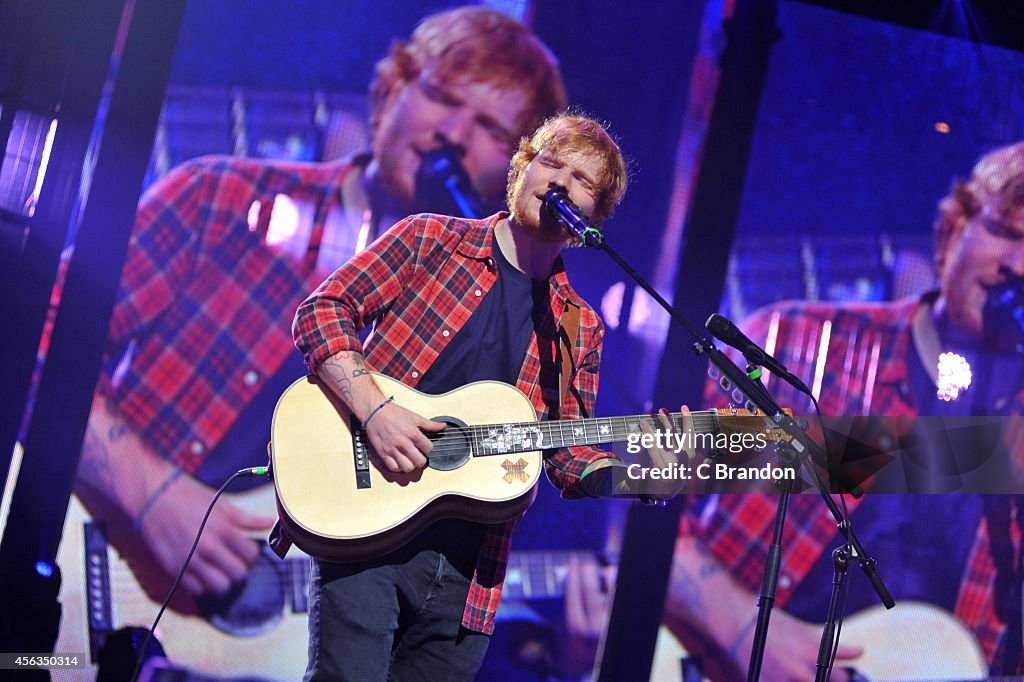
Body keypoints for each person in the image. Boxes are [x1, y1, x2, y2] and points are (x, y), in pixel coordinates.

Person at [71, 6, 569, 606]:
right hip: (87, 569)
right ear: (391, 91)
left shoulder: (491, 328)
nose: (454, 135)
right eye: (441, 96)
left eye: (491, 128)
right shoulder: (222, 197)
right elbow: (33, 345)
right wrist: (149, 492)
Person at [290, 111, 695, 681]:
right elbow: (323, 311)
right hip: (368, 529)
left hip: (469, 577)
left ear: (595, 216)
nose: (558, 182)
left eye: (580, 179)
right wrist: (375, 411)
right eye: (549, 162)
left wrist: (643, 479)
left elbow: (568, 458)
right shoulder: (429, 240)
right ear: (521, 170)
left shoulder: (580, 326)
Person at [656, 141, 1024, 680]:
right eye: (1006, 233)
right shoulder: (789, 346)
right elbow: (642, 499)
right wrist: (741, 627)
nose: (1018, 264)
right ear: (952, 231)